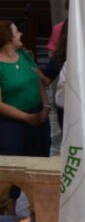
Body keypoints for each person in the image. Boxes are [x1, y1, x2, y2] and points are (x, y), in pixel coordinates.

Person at [0, 21, 50, 158]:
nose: (21, 34)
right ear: (7, 38)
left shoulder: (25, 55)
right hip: (12, 124)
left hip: (38, 118)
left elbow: (38, 80)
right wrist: (26, 118)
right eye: (16, 32)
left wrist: (45, 106)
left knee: (41, 159)